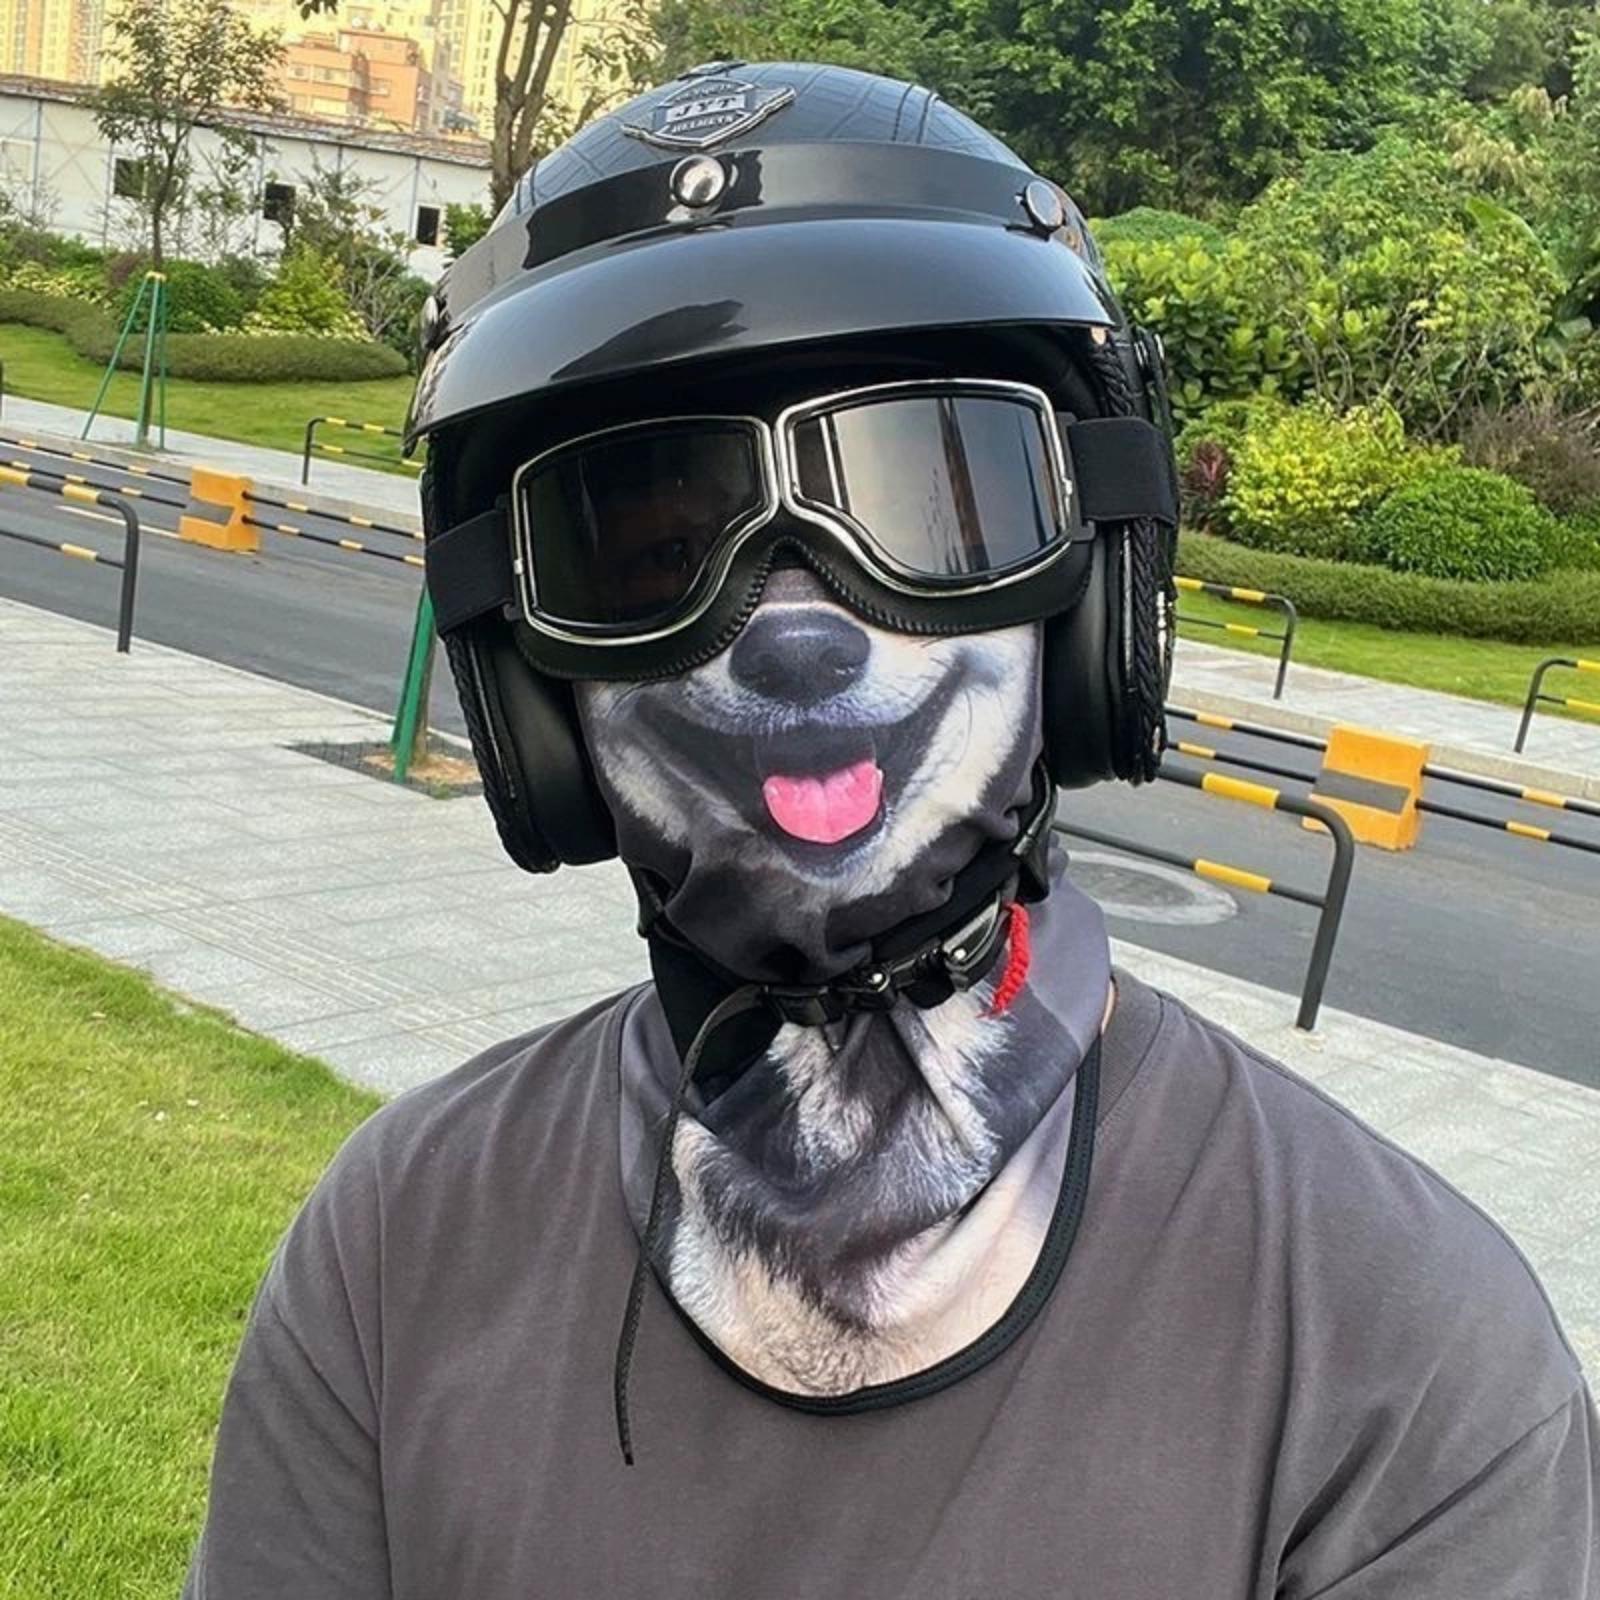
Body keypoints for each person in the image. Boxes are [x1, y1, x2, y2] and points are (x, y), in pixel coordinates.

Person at [183, 62, 1598, 1598]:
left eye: (931, 503)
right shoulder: (394, 1246)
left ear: (1091, 597)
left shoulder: (1413, 1370)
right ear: (535, 693)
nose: (795, 633)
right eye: (649, 547)